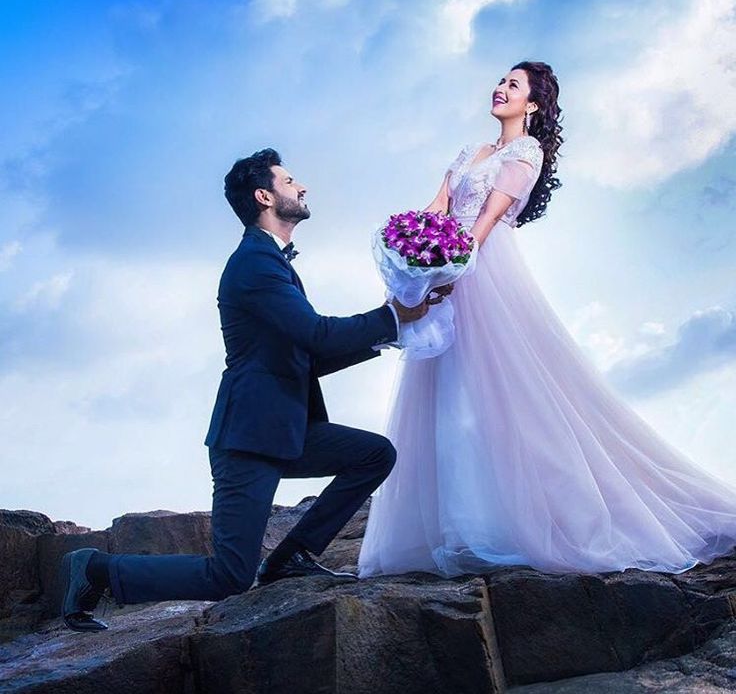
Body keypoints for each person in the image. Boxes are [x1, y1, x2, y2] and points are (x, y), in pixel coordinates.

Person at [359, 61, 736, 578]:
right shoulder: (471, 151)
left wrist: (452, 269)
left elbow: (487, 218)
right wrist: (408, 253)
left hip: (484, 269)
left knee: (505, 383)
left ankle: (538, 515)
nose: (501, 88)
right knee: (445, 386)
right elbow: (438, 206)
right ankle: (460, 520)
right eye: (501, 80)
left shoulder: (525, 151)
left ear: (532, 105)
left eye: (514, 85)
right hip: (447, 261)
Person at [60, 148, 438, 632]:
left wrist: (392, 329)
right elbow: (317, 335)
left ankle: (291, 557)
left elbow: (309, 356)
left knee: (373, 454)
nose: (301, 187)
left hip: (284, 430)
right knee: (229, 576)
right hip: (247, 439)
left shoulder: (271, 262)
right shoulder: (254, 264)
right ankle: (95, 568)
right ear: (265, 196)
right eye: (290, 180)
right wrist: (391, 315)